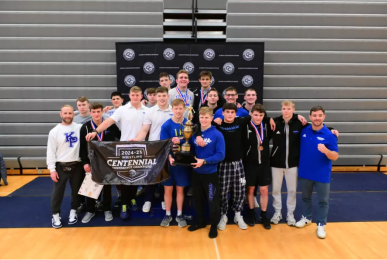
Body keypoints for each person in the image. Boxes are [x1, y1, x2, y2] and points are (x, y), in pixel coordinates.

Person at [270, 100, 338, 226]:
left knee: (292, 191)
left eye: (289, 109)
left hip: (293, 164)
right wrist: (269, 119)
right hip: (276, 163)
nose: (286, 111)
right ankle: (277, 212)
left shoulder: (299, 124)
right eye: (284, 108)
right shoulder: (275, 122)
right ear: (281, 109)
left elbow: (317, 126)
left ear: (293, 110)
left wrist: (331, 129)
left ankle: (290, 215)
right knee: (275, 190)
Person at [85, 86, 149, 220]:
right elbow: (108, 121)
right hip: (124, 148)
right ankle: (125, 204)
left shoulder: (147, 111)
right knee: (125, 178)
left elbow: (144, 130)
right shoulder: (122, 109)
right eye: (133, 95)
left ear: (141, 96)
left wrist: (136, 140)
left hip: (140, 147)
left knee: (135, 177)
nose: (135, 97)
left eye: (138, 95)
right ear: (130, 96)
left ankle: (131, 198)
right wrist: (96, 131)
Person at [200, 103, 249, 230]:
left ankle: (238, 214)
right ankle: (224, 214)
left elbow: (258, 116)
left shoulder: (241, 122)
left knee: (239, 190)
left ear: (235, 113)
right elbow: (200, 126)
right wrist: (198, 135)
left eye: (232, 112)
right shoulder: (217, 124)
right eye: (227, 112)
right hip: (223, 163)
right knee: (223, 191)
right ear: (223, 113)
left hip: (238, 162)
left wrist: (269, 118)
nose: (230, 114)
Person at [295, 106, 339, 239]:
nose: (317, 118)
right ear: (310, 117)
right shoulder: (304, 131)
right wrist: (296, 116)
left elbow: (335, 156)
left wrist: (326, 151)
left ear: (324, 117)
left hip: (322, 174)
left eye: (320, 115)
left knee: (323, 201)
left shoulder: (330, 135)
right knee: (305, 198)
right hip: (305, 173)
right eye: (314, 115)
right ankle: (307, 218)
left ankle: (321, 224)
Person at [131, 87, 172, 214]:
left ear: (168, 96)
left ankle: (164, 199)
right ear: (156, 97)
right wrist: (137, 140)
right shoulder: (150, 112)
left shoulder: (174, 110)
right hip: (153, 147)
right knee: (150, 174)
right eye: (159, 96)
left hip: (170, 147)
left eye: (164, 95)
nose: (161, 98)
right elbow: (144, 130)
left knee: (167, 174)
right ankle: (148, 199)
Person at [79, 102, 121, 223]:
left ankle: (107, 208)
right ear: (90, 112)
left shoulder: (111, 126)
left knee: (107, 187)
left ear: (103, 112)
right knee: (91, 187)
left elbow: (122, 138)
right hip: (92, 162)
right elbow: (82, 147)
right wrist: (85, 163)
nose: (96, 114)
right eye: (94, 112)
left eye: (99, 111)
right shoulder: (85, 127)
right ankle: (90, 210)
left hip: (107, 162)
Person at [188, 107, 225, 239]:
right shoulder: (193, 133)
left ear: (211, 118)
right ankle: (201, 222)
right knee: (197, 200)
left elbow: (221, 155)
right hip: (196, 174)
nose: (204, 120)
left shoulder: (217, 134)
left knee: (212, 199)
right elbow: (189, 148)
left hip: (210, 174)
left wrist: (204, 161)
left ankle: (214, 225)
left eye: (206, 117)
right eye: (201, 117)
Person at [47, 105, 83, 228]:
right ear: (61, 114)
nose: (68, 115)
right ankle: (55, 215)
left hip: (77, 165)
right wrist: (52, 169)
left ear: (74, 114)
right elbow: (50, 151)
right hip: (60, 166)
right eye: (65, 113)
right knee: (58, 192)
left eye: (70, 113)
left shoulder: (80, 128)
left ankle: (73, 212)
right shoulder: (54, 131)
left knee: (76, 192)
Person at [159, 99, 191, 227]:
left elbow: (191, 141)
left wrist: (181, 141)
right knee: (168, 189)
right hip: (169, 163)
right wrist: (169, 158)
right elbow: (164, 145)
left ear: (184, 109)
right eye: (175, 108)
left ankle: (179, 214)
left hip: (183, 164)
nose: (178, 111)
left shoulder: (189, 124)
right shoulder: (166, 125)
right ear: (172, 109)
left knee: (180, 189)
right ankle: (167, 214)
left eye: (180, 108)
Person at [243, 104, 273, 229]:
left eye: (261, 115)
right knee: (250, 190)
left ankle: (263, 215)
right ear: (251, 114)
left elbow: (283, 121)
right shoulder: (245, 124)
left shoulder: (267, 125)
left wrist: (268, 118)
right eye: (256, 115)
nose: (258, 117)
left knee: (264, 190)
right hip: (249, 164)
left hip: (264, 164)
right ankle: (251, 213)